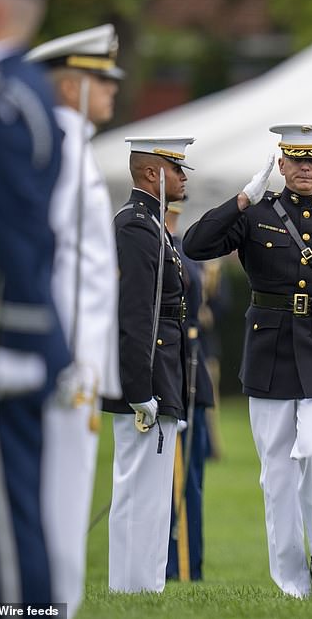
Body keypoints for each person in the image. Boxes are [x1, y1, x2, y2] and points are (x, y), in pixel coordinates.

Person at [183, 124, 312, 597]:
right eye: (296, 160)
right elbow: (195, 244)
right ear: (282, 165)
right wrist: (241, 200)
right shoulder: (257, 215)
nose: (306, 169)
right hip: (269, 352)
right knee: (277, 474)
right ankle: (293, 583)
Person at [25, 23, 122, 613]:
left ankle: (52, 605)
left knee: (65, 500)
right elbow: (43, 252)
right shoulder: (59, 149)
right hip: (62, 357)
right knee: (54, 502)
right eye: (100, 78)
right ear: (69, 86)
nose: (113, 88)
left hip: (79, 359)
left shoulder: (75, 148)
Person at [0, 0, 69, 605]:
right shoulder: (13, 94)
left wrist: (19, 332)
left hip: (1, 334)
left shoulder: (3, 101)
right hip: (6, 330)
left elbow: (20, 231)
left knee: (6, 530)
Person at [104, 136, 193, 593]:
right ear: (151, 173)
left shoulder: (152, 224)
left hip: (161, 370)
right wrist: (140, 387)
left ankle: (141, 585)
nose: (183, 178)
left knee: (151, 492)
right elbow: (136, 314)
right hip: (149, 375)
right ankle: (135, 586)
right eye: (177, 169)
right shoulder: (137, 227)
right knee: (141, 488)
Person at [164, 201, 214, 582]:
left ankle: (184, 567)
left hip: (186, 369)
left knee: (187, 479)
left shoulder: (177, 250)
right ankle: (179, 567)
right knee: (177, 479)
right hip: (174, 369)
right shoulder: (163, 247)